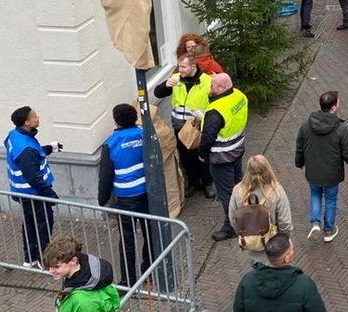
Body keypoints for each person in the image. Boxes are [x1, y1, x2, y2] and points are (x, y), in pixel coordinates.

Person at [97, 104, 153, 287]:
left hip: (125, 198)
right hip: (146, 194)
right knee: (149, 234)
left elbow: (105, 176)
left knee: (127, 240)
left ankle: (128, 280)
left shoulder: (110, 144)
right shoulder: (144, 134)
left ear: (116, 120)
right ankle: (149, 269)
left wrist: (102, 199)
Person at [296, 91, 348, 242]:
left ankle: (315, 223)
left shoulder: (306, 126)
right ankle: (328, 230)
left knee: (315, 195)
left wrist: (299, 163)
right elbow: (347, 151)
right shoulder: (340, 129)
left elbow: (300, 147)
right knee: (330, 199)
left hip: (313, 172)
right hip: (332, 174)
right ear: (334, 107)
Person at [153, 53, 214, 199]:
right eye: (179, 66)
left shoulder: (206, 81)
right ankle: (193, 183)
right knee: (186, 158)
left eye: (183, 66)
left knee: (202, 156)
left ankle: (207, 183)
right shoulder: (176, 79)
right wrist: (164, 85)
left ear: (193, 66)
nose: (180, 69)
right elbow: (157, 93)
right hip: (180, 128)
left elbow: (215, 101)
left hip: (198, 127)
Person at [5, 106, 60, 266]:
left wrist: (48, 149)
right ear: (27, 122)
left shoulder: (14, 135)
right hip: (34, 194)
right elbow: (32, 175)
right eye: (34, 115)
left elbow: (31, 155)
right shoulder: (26, 148)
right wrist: (49, 193)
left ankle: (30, 257)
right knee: (43, 225)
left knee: (30, 224)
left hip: (22, 192)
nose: (37, 117)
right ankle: (45, 260)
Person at [199, 73, 249, 241]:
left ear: (220, 88)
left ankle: (231, 227)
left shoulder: (215, 111)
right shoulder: (239, 96)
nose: (210, 88)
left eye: (212, 85)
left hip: (222, 158)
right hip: (237, 149)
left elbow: (207, 137)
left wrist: (202, 154)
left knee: (227, 193)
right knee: (238, 185)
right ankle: (246, 212)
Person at [229, 154, 293, 263]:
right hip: (272, 247)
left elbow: (232, 218)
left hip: (250, 245)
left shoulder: (238, 191)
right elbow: (285, 223)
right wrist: (283, 242)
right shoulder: (276, 191)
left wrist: (244, 234)